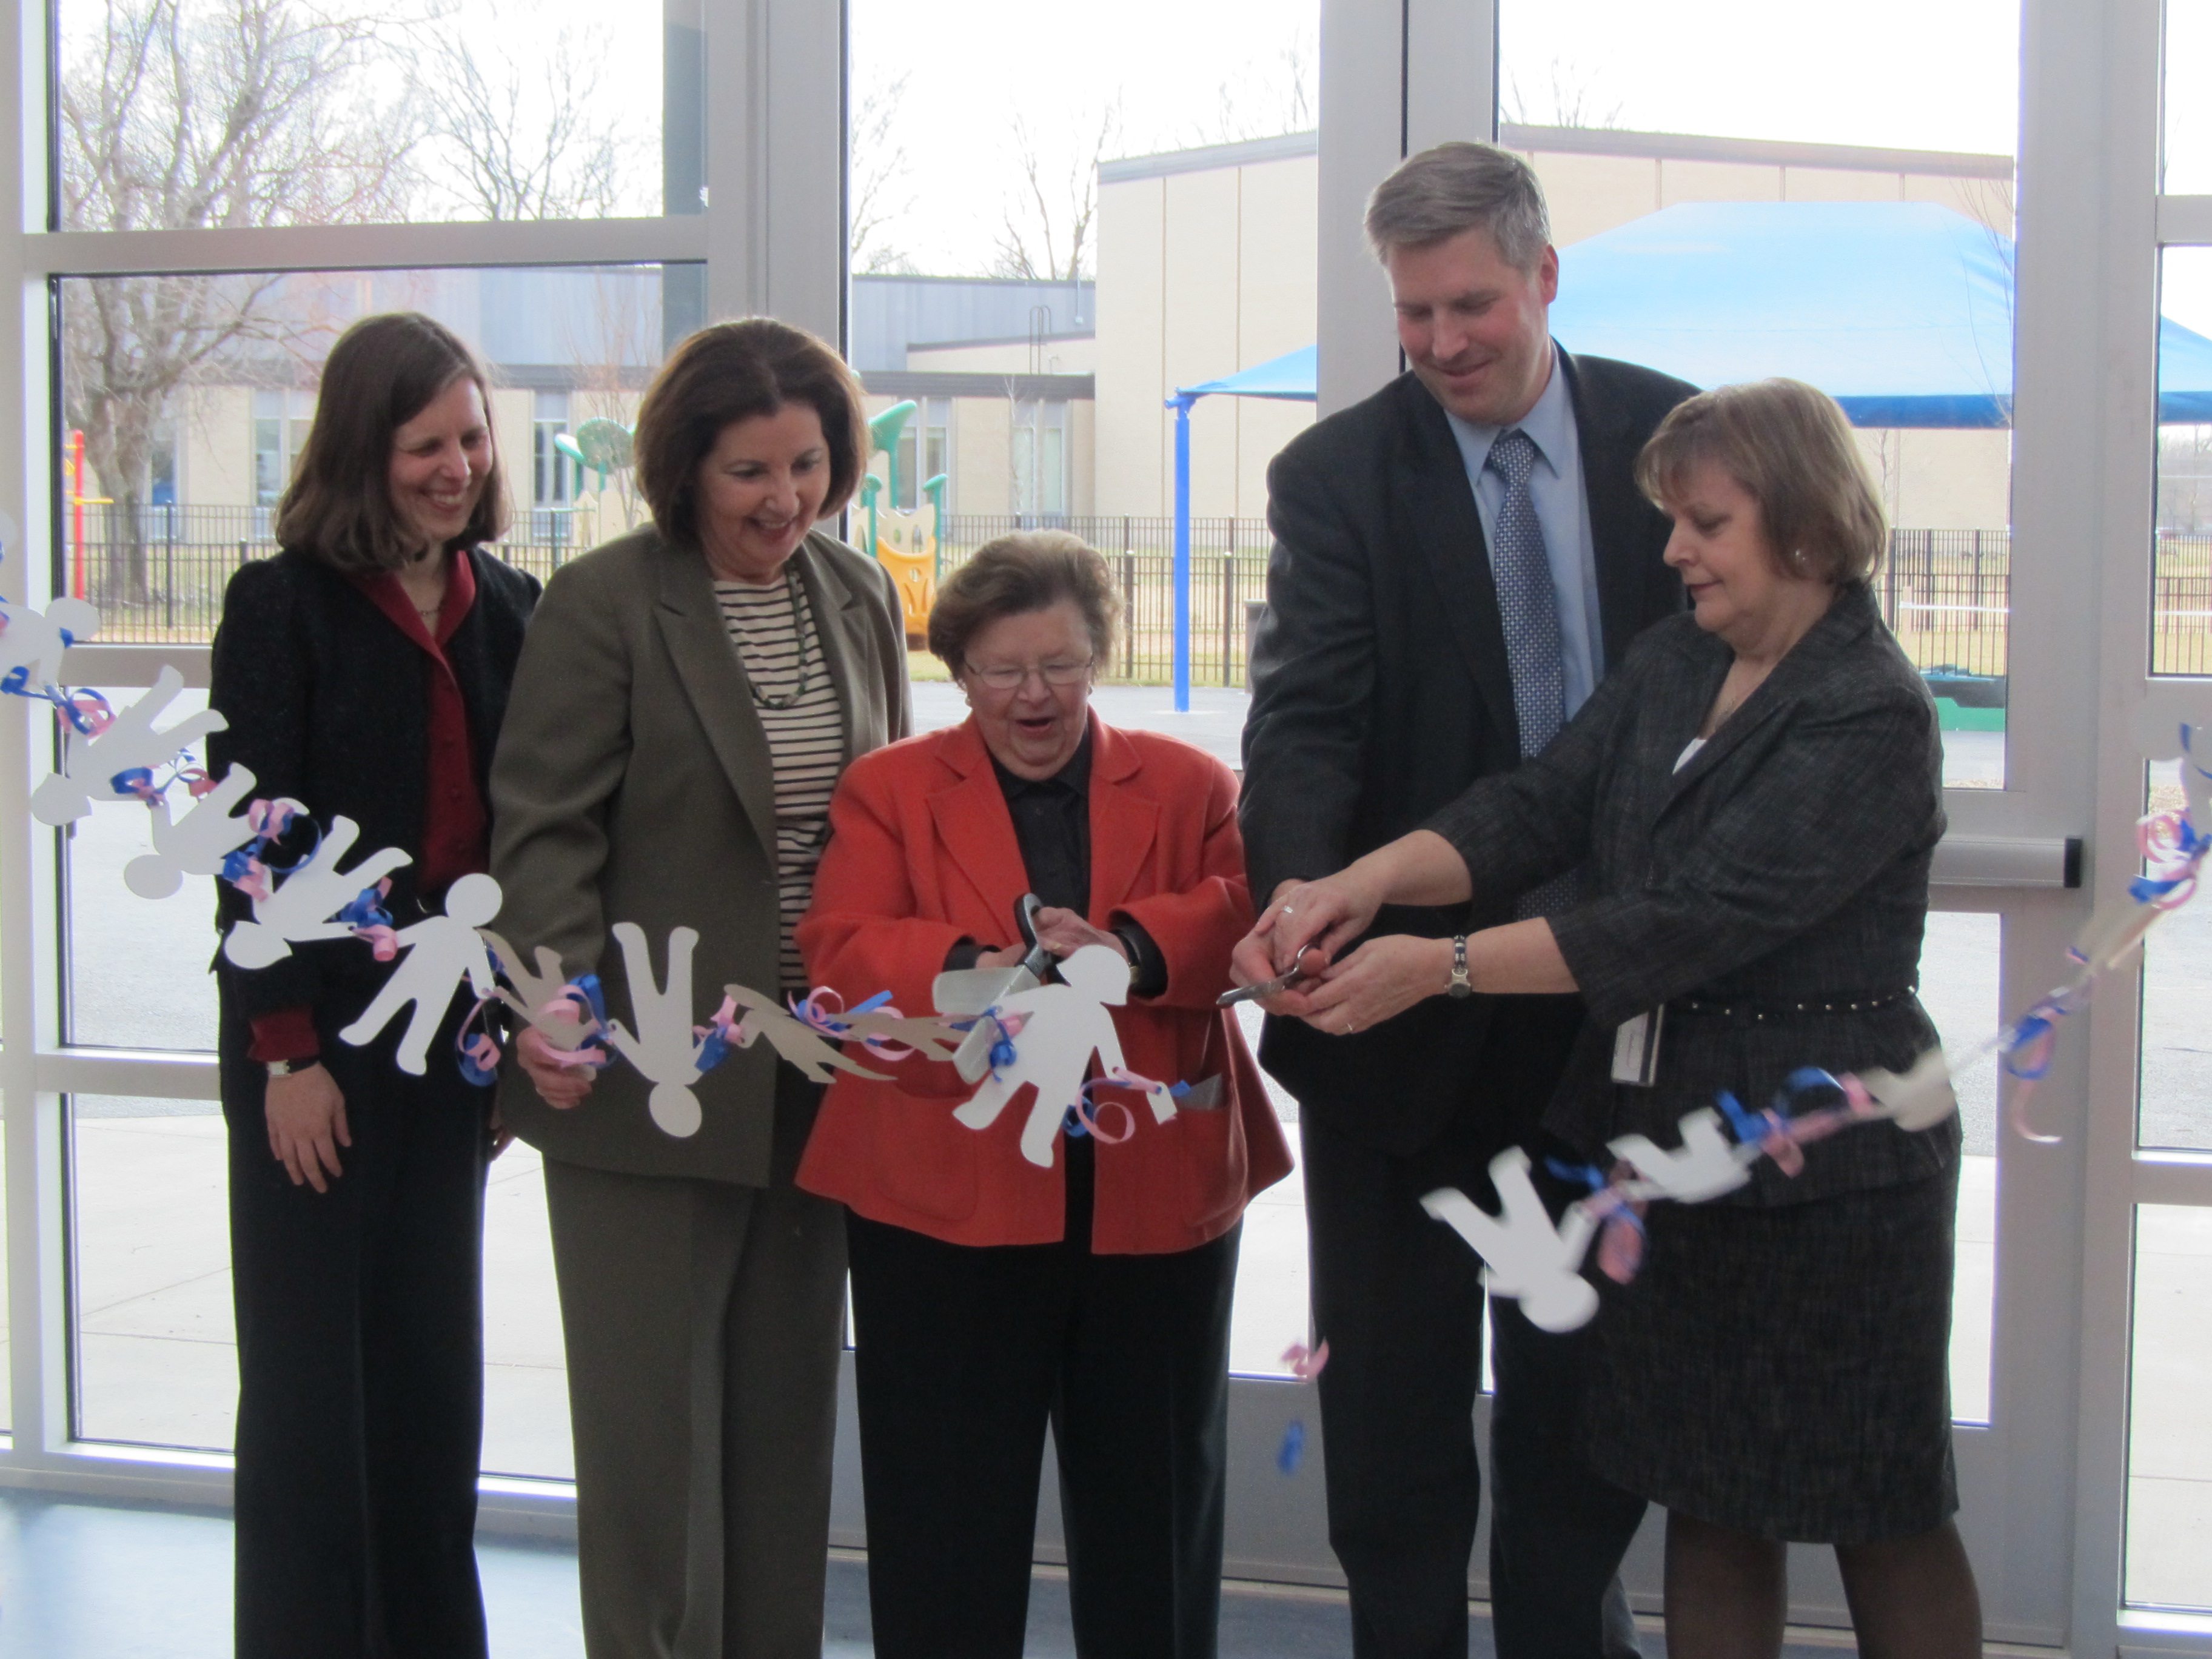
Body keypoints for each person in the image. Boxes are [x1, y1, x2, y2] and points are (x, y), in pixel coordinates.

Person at [1241, 378, 1981, 1659]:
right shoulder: (1681, 658)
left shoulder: (1867, 706)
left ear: (1804, 528)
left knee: (1880, 1504)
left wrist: (1435, 967)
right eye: (1672, 521)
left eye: (1703, 523)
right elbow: (1537, 805)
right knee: (1706, 1496)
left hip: (1832, 1164)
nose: (1673, 551)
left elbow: (1674, 921)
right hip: (1670, 1148)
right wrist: (1360, 883)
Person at [1235, 139, 1696, 1656]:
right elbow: (1308, 720)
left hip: (1606, 1027)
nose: (1441, 344)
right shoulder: (1337, 476)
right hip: (1395, 1032)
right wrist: (1302, 899)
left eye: (1472, 306)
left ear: (1546, 276)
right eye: (1414, 313)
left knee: (1583, 1422)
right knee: (1394, 1432)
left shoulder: (1674, 444)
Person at [486, 318, 909, 1658]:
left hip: (811, 1073)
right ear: (683, 471)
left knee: (785, 1438)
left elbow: (887, 813)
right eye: (748, 473)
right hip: (646, 1082)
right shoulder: (606, 602)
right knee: (652, 1457)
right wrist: (554, 1006)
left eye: (808, 462)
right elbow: (544, 829)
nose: (785, 498)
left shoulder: (858, 593)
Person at [796, 532, 1293, 1659]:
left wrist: (1121, 945)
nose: (1034, 696)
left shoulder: (1188, 783)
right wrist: (1003, 968)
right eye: (1004, 669)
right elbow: (842, 954)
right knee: (943, 1526)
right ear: (959, 670)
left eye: (1062, 666)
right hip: (944, 1202)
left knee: (1156, 1516)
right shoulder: (889, 791)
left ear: (1099, 661)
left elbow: (1248, 912)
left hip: (1154, 1194)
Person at [208, 310, 541, 1658]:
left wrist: (509, 1043)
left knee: (426, 1377)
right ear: (364, 453)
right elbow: (246, 842)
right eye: (424, 445)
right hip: (314, 1051)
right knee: (307, 1392)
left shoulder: (510, 606)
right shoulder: (278, 607)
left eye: (470, 437)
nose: (456, 466)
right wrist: (285, 1056)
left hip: (445, 1050)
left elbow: (526, 846)